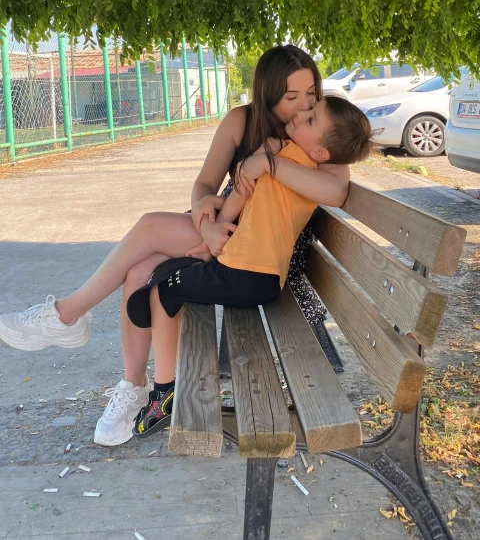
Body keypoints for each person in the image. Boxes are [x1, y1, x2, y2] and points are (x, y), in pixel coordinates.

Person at [0, 46, 349, 446]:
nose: (305, 104)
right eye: (292, 97)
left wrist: (267, 165)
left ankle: (66, 315)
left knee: (149, 227)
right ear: (268, 94)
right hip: (228, 231)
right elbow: (204, 185)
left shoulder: (322, 127)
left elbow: (338, 187)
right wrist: (205, 220)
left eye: (311, 93)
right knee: (139, 269)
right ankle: (134, 388)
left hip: (268, 247)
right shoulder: (243, 121)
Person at [128, 95, 372, 436]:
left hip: (243, 273)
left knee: (161, 290)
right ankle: (164, 390)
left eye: (312, 117)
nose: (302, 112)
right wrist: (212, 242)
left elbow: (241, 194)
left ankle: (164, 394)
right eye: (304, 107)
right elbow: (244, 193)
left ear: (321, 152)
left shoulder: (284, 157)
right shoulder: (303, 165)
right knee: (165, 281)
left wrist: (214, 240)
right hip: (257, 276)